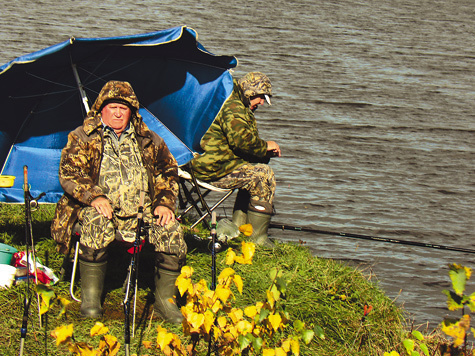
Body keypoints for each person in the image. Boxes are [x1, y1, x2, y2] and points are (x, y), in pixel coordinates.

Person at [50, 80, 186, 324]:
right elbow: (70, 173)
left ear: (132, 111)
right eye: (112, 106)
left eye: (123, 108)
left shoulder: (149, 140)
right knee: (96, 222)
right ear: (101, 109)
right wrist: (95, 196)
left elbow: (168, 170)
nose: (117, 112)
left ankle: (165, 301)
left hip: (143, 213)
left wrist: (163, 203)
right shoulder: (83, 136)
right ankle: (91, 298)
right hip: (100, 210)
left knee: (171, 228)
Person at [191, 72, 281, 247]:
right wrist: (266, 146)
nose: (262, 103)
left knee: (253, 170)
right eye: (261, 98)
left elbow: (241, 145)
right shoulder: (234, 107)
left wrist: (262, 155)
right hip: (212, 168)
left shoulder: (228, 96)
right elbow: (242, 141)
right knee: (263, 176)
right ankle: (258, 239)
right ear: (250, 92)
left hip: (205, 162)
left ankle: (240, 229)